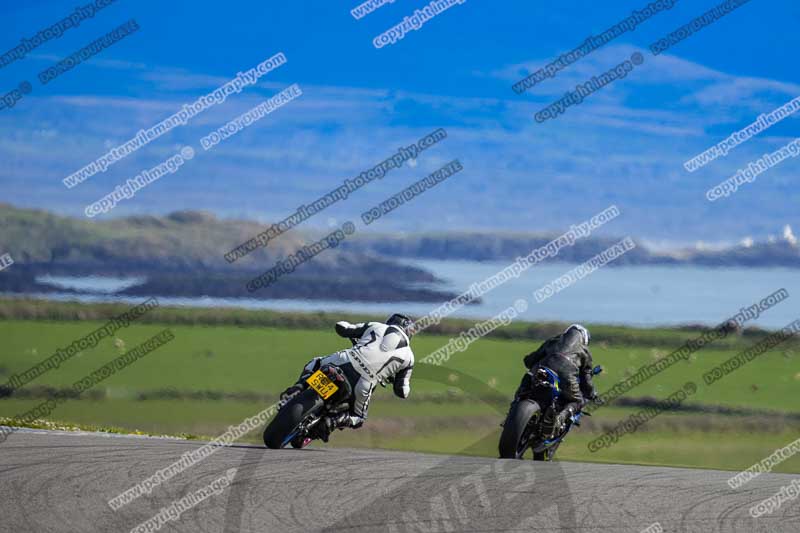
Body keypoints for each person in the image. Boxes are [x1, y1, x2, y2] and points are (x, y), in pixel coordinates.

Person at [280, 313, 415, 441]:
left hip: (344, 361)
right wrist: (394, 377)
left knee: (315, 363)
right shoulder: (409, 358)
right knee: (359, 418)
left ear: (391, 321)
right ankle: (333, 421)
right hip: (364, 382)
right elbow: (402, 392)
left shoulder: (377, 326)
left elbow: (343, 327)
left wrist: (351, 332)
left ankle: (298, 388)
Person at [517, 324, 598, 437]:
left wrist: (528, 359)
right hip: (567, 376)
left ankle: (517, 402)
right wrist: (591, 393)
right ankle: (560, 418)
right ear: (584, 339)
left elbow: (531, 360)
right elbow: (586, 377)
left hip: (543, 369)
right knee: (577, 401)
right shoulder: (585, 351)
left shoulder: (553, 341)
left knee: (529, 376)